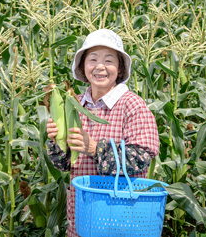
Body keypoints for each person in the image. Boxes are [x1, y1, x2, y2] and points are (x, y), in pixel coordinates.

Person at [46, 29, 160, 237]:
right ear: (82, 66)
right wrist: (57, 141)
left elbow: (142, 157)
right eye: (93, 59)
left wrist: (94, 148)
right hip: (83, 218)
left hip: (122, 218)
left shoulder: (133, 106)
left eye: (109, 60)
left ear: (120, 68)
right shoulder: (75, 103)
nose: (100, 66)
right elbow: (63, 164)